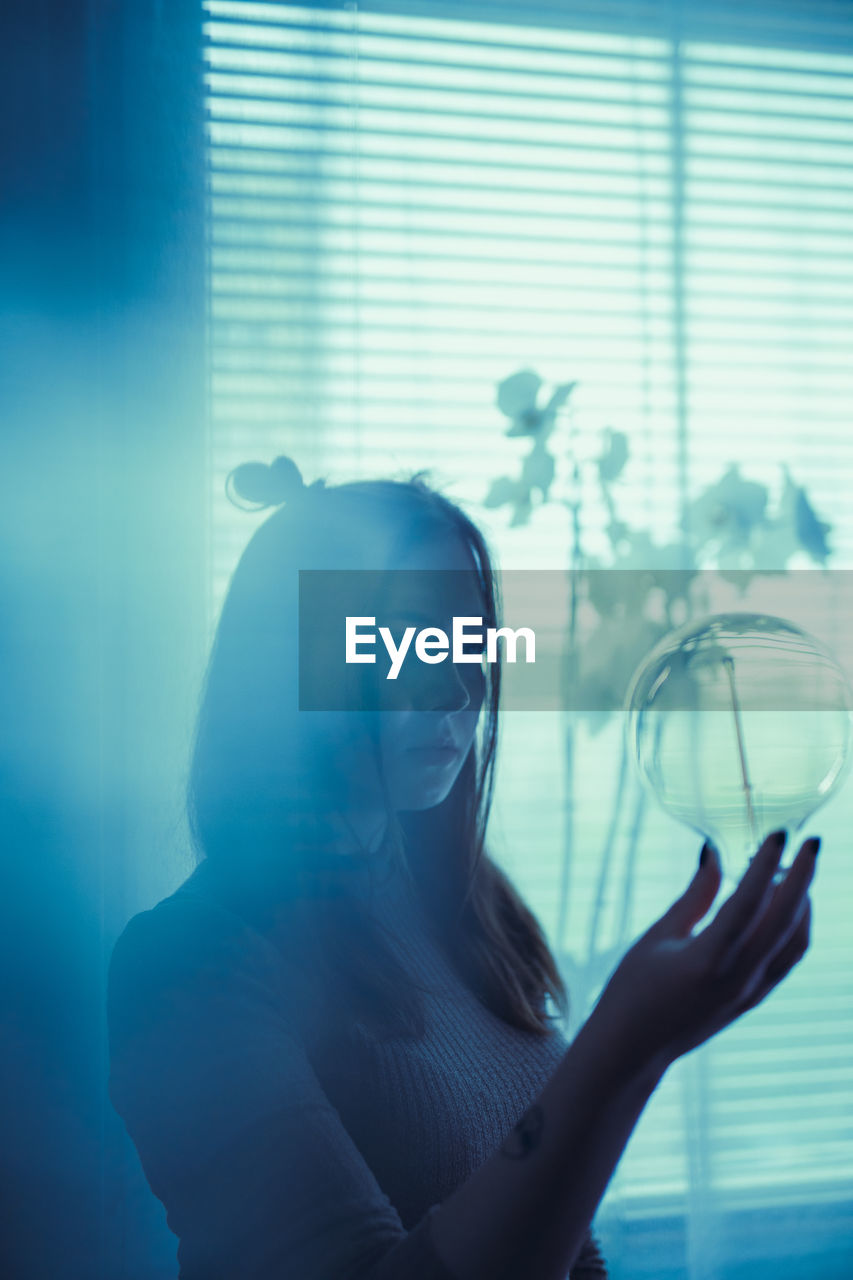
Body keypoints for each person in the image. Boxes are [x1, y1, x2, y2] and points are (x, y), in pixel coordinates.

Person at [107, 457, 819, 1280]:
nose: (454, 689)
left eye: (471, 638)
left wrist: (633, 1050)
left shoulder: (469, 907)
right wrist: (623, 1048)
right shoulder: (189, 966)